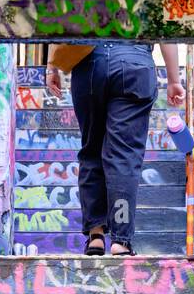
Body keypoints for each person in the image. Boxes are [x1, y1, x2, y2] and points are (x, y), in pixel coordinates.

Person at [46, 42, 184, 255]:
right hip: (135, 65)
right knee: (123, 157)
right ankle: (120, 240)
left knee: (91, 149)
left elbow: (62, 15)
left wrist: (52, 67)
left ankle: (96, 235)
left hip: (90, 63)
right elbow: (167, 33)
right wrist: (174, 80)